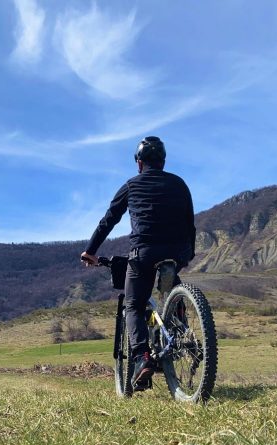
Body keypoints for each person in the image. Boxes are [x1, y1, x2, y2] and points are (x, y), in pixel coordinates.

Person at [81, 136, 195, 391]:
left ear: (139, 163)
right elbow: (190, 223)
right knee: (172, 286)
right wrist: (188, 255)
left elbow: (108, 220)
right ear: (163, 162)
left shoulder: (132, 185)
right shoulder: (179, 184)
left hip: (144, 252)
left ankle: (141, 357)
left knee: (133, 304)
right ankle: (181, 329)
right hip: (176, 251)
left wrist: (90, 250)